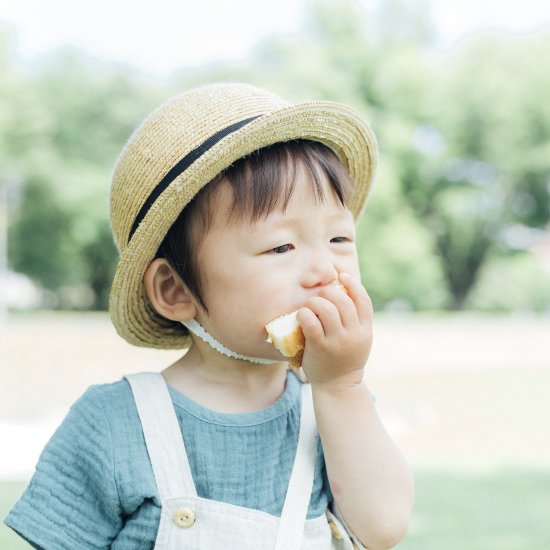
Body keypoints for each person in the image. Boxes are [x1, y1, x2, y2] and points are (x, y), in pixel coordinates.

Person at [4, 82, 414, 549]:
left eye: (340, 239)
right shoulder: (116, 423)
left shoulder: (335, 408)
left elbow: (383, 529)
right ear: (175, 290)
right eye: (280, 246)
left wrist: (341, 385)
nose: (325, 270)